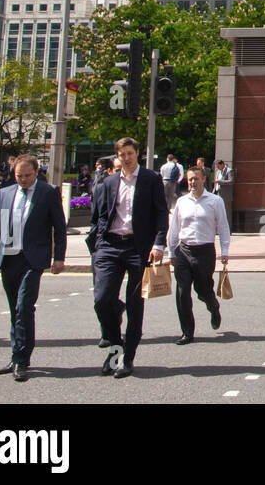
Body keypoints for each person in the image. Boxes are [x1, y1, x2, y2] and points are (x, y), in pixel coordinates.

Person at [0, 155, 67, 383]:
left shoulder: (48, 193)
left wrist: (59, 258)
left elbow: (59, 227)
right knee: (15, 310)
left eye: (27, 175)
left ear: (36, 172)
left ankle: (22, 360)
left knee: (24, 306)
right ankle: (16, 354)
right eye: (19, 176)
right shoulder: (5, 193)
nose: (23, 179)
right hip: (9, 258)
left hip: (33, 259)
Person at [87, 137, 169, 379]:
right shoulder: (109, 181)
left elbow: (161, 213)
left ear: (137, 153)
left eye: (130, 153)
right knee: (102, 300)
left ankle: (127, 358)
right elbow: (99, 215)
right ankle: (115, 348)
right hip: (110, 246)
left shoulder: (151, 179)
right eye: (122, 154)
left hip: (138, 248)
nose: (126, 158)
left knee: (135, 305)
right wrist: (98, 242)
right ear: (117, 157)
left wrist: (159, 244)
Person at [167, 166, 229, 344]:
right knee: (182, 291)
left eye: (195, 179)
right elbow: (174, 228)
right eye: (190, 179)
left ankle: (213, 306)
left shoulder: (215, 201)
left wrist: (225, 251)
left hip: (205, 252)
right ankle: (187, 331)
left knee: (203, 290)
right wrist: (171, 250)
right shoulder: (181, 201)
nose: (192, 182)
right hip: (184, 250)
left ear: (204, 179)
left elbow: (223, 227)